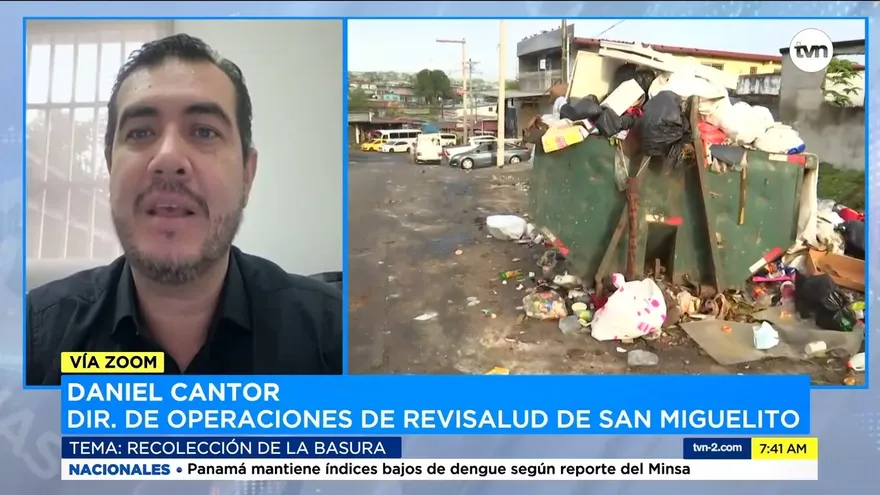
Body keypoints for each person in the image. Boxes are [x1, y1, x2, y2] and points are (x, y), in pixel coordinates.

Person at [25, 34, 342, 385]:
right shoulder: (33, 338)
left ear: (247, 175)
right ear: (111, 168)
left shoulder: (333, 335)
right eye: (141, 132)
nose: (169, 159)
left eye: (204, 132)